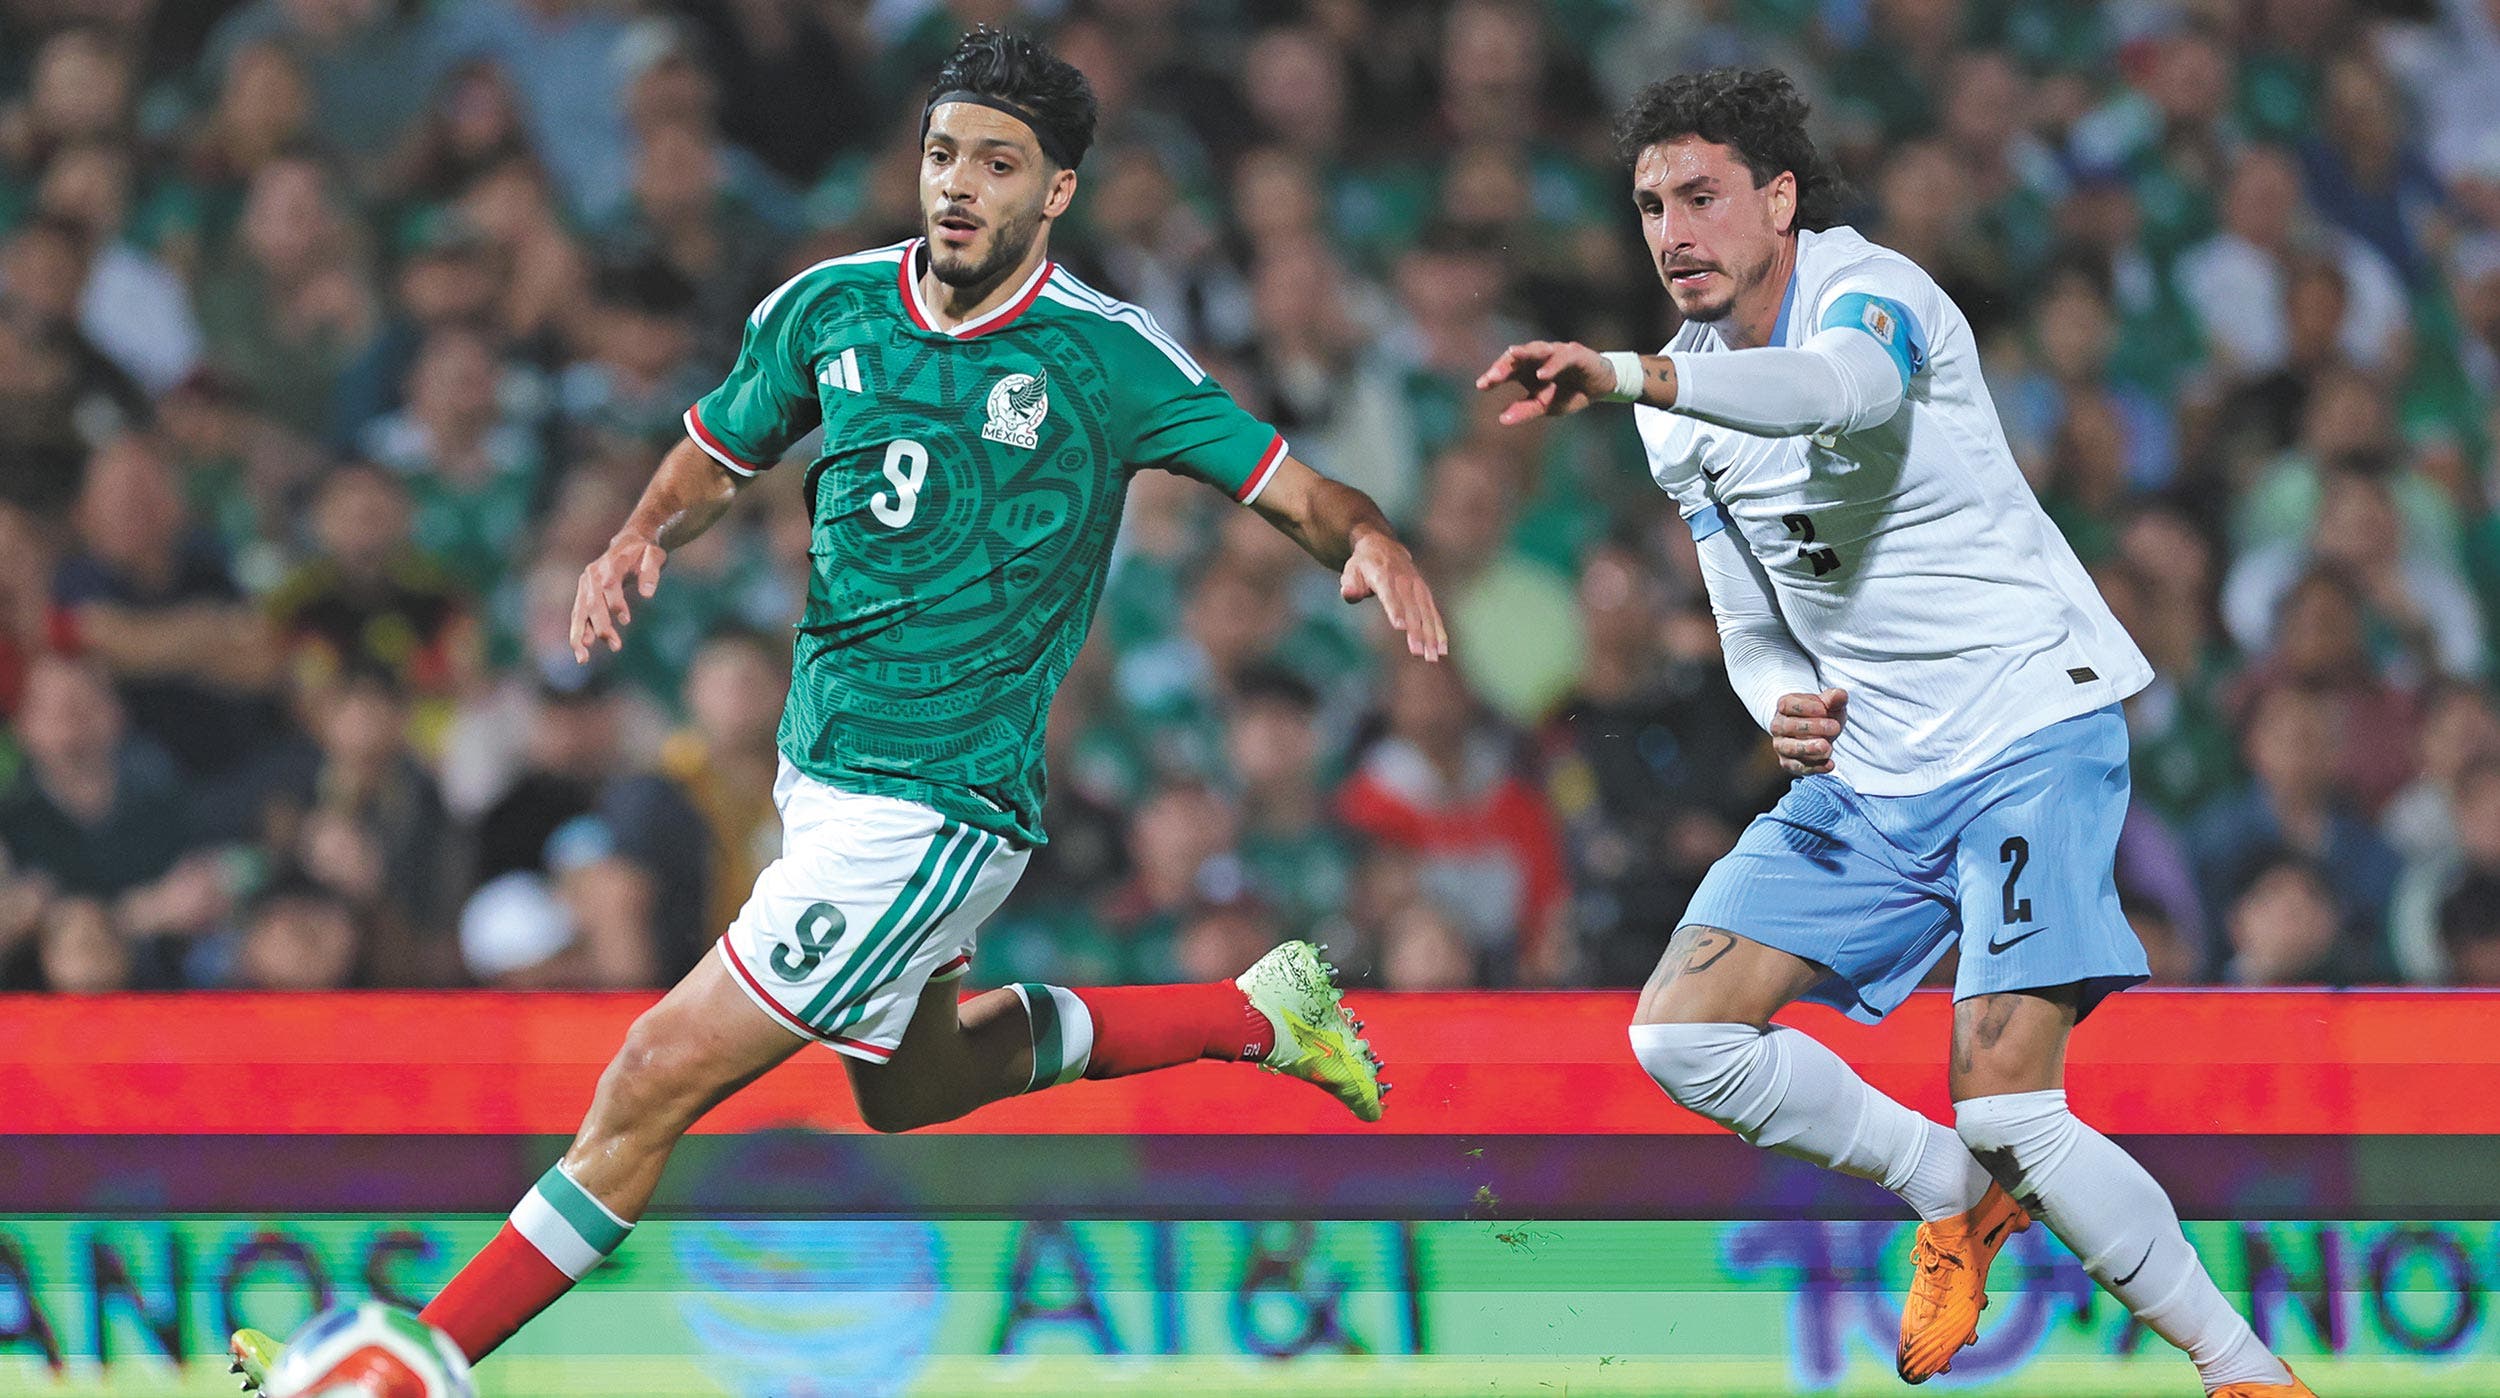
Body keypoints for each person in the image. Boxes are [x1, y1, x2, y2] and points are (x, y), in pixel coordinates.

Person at [230, 27, 1445, 1389]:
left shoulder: (1108, 356)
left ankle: (404, 1367)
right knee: (913, 1087)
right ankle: (1257, 1014)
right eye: (943, 154)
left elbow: (1296, 489)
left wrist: (1370, 538)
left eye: (999, 163)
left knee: (648, 1076)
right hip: (820, 779)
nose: (959, 185)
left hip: (934, 806)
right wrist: (638, 534)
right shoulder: (831, 306)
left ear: (1057, 190)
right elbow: (715, 450)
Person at [1474, 68, 2308, 1397]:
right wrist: (1773, 701)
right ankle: (1950, 1189)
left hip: (2029, 724)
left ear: (1779, 199)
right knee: (1680, 1038)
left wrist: (1629, 372)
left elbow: (1840, 392)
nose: (1673, 231)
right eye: (1650, 206)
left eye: (1701, 196)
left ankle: (2241, 1368)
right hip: (1875, 767)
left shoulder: (1875, 292)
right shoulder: (1675, 415)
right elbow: (1746, 616)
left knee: (2012, 1105)